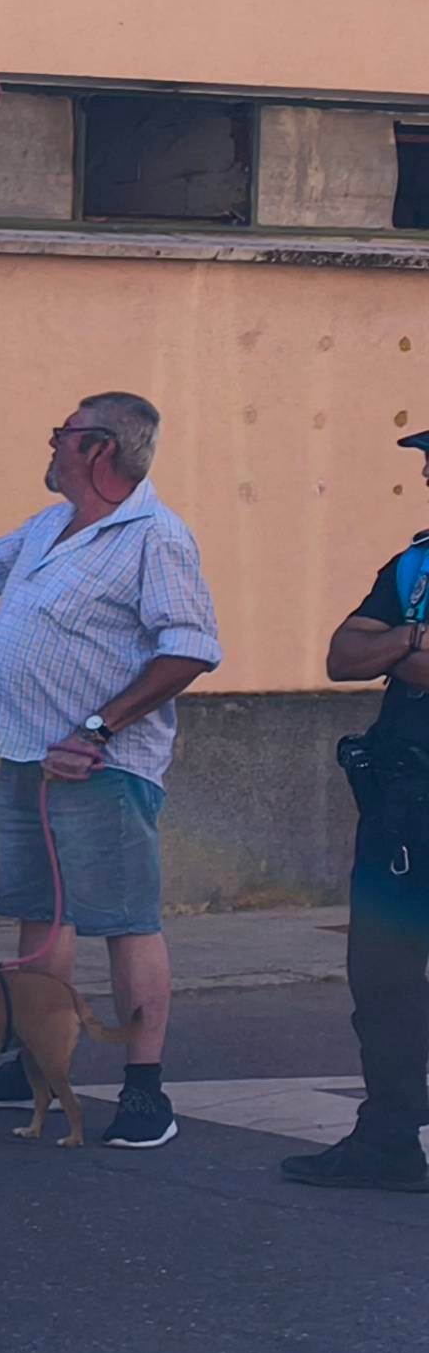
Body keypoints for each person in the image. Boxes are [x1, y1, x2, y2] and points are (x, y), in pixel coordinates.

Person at [0, 391, 219, 1148]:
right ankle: (34, 1056)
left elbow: (191, 646)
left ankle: (144, 1090)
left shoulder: (154, 537)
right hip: (29, 750)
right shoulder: (49, 526)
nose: (51, 444)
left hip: (102, 763)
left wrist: (99, 729)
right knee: (43, 916)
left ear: (99, 449)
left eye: (60, 433)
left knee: (125, 923)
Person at [303, 453, 429, 1191]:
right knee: (381, 979)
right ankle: (386, 1139)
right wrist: (413, 641)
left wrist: (401, 643)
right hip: (401, 807)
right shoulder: (414, 567)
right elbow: (343, 655)